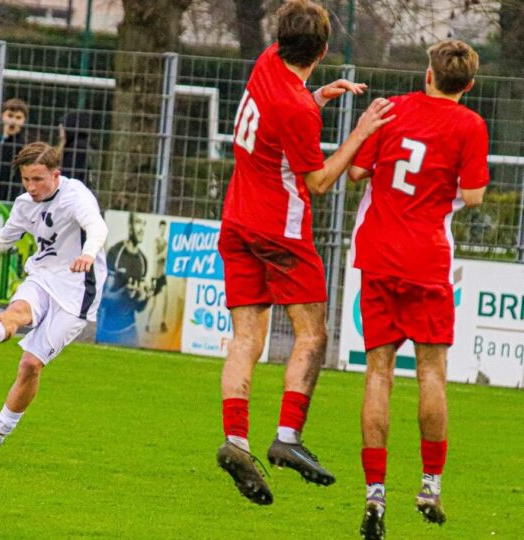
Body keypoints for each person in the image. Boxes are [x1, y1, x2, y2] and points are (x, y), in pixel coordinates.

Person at [215, 0, 394, 505]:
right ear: (322, 50)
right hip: (281, 230)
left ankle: (235, 439)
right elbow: (316, 181)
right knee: (313, 334)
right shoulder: (294, 106)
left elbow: (279, 122)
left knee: (246, 337)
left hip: (236, 221)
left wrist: (315, 97)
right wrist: (360, 132)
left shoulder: (267, 61)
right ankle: (288, 437)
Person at [347, 40, 488, 540]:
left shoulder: (394, 109)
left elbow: (359, 171)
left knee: (378, 373)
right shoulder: (470, 125)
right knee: (431, 373)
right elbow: (472, 196)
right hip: (429, 261)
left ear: (428, 73)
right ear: (467, 85)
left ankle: (374, 494)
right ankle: (429, 484)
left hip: (379, 256)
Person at [0, 141, 107, 464]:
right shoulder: (25, 204)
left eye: (38, 179)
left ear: (56, 175)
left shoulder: (76, 195)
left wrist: (88, 253)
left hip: (77, 290)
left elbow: (98, 227)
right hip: (42, 276)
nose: (31, 187)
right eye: (26, 179)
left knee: (29, 365)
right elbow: (2, 239)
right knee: (17, 312)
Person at [96, 212, 153, 346]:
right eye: (138, 222)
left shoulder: (143, 260)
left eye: (144, 224)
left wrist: (145, 297)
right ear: (130, 225)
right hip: (108, 331)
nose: (141, 229)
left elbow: (139, 308)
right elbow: (103, 299)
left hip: (130, 330)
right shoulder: (115, 254)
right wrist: (125, 292)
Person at [0, 98, 28, 201]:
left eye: (18, 118)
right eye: (10, 116)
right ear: (2, 116)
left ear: (24, 121)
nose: (13, 121)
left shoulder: (22, 147)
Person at [57, 111, 91, 188]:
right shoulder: (72, 144)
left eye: (62, 127)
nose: (59, 131)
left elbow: (67, 175)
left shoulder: (78, 146)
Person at [145, 219, 168, 333]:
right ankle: (147, 323)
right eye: (162, 228)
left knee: (165, 298)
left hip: (162, 275)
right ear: (159, 228)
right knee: (153, 303)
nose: (163, 230)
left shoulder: (166, 242)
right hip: (155, 275)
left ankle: (162, 323)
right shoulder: (156, 242)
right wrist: (163, 254)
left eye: (165, 228)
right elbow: (155, 257)